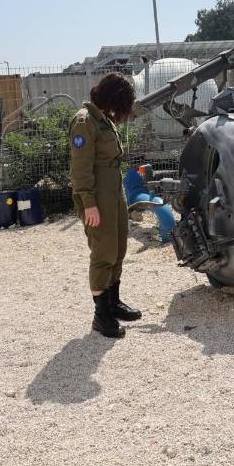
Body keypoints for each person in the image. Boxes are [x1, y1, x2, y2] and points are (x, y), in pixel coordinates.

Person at [68, 72, 142, 338]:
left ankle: (113, 302)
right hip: (97, 196)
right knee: (103, 253)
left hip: (113, 191)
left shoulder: (103, 119)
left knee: (119, 247)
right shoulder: (84, 122)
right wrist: (88, 203)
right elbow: (80, 168)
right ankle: (101, 317)